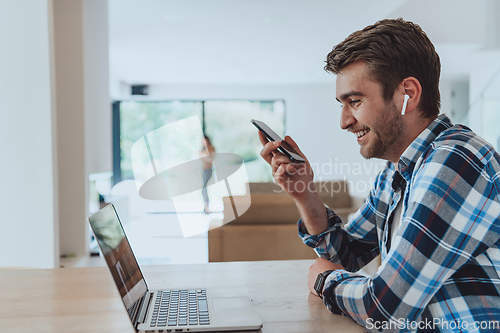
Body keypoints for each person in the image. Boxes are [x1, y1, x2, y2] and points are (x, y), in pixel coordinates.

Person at [258, 18, 500, 332]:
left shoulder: (456, 160)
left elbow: (385, 309)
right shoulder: (395, 174)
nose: (344, 122)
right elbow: (347, 254)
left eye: (354, 102)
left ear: (407, 95)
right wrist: (304, 193)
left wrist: (324, 280)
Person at [200, 135, 216, 214]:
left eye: (205, 140)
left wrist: (206, 149)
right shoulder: (201, 150)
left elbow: (210, 159)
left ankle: (207, 207)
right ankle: (206, 207)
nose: (204, 142)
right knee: (203, 189)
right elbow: (203, 158)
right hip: (203, 171)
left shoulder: (211, 148)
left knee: (204, 189)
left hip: (208, 171)